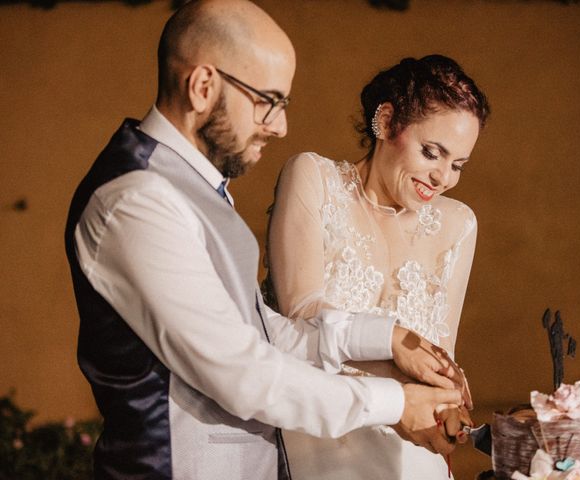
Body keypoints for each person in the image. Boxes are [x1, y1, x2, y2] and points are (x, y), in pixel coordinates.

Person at [63, 2, 469, 479]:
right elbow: (242, 371)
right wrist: (393, 402)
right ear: (202, 87)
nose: (280, 126)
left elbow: (260, 332)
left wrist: (386, 339)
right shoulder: (138, 200)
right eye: (268, 100)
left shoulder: (195, 188)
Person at [264, 54, 490, 479]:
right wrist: (397, 376)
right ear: (386, 123)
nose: (443, 177)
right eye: (432, 153)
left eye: (457, 165)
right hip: (322, 439)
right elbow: (299, 317)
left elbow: (441, 353)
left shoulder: (458, 224)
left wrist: (448, 398)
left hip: (413, 456)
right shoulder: (314, 179)